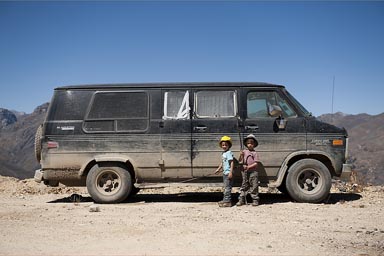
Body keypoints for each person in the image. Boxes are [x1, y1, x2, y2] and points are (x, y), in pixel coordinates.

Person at [236, 134, 260, 206]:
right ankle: (241, 199)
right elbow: (240, 161)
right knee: (244, 185)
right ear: (246, 144)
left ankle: (255, 199)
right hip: (245, 172)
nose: (250, 145)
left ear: (254, 144)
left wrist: (249, 167)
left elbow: (256, 163)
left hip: (253, 172)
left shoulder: (255, 153)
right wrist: (241, 155)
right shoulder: (244, 152)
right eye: (248, 143)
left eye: (251, 143)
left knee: (254, 186)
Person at [215, 136, 234, 207]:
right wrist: (218, 169)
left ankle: (228, 201)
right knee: (225, 187)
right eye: (223, 145)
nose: (224, 146)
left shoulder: (229, 153)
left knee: (227, 188)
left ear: (229, 145)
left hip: (228, 173)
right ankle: (225, 200)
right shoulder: (223, 153)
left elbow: (232, 162)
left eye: (226, 145)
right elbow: (222, 162)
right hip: (224, 173)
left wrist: (230, 172)